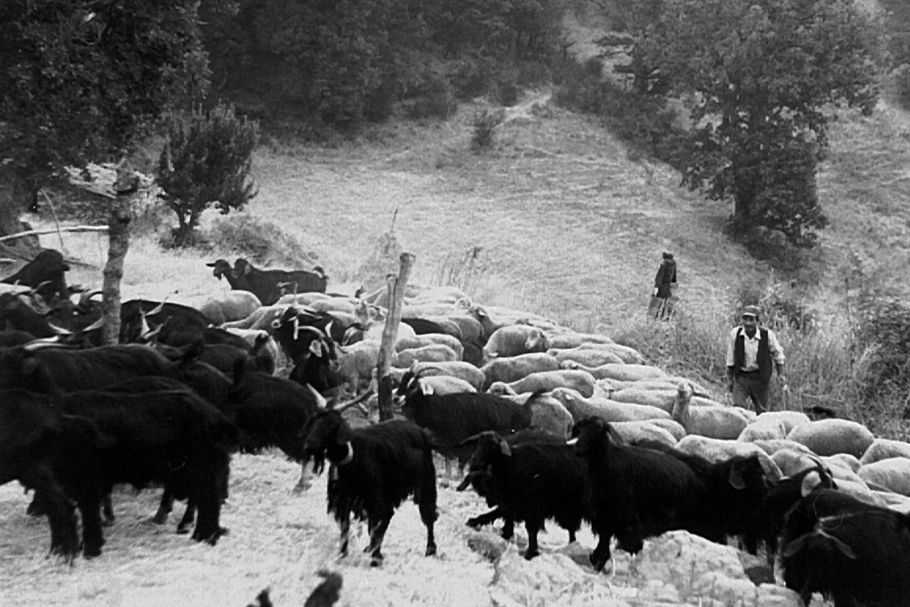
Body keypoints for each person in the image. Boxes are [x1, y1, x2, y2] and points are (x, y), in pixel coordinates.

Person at [725, 305, 786, 412]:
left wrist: (780, 374)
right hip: (742, 377)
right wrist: (730, 379)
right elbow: (731, 357)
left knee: (761, 410)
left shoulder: (767, 335)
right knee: (738, 409)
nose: (748, 323)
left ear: (757, 321)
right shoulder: (735, 334)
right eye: (745, 319)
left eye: (751, 320)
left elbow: (778, 355)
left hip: (760, 377)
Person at [648, 251, 677, 320]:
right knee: (666, 304)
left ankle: (651, 318)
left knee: (655, 304)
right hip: (669, 287)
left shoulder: (664, 264)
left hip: (661, 286)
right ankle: (663, 318)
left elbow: (659, 276)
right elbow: (674, 278)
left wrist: (656, 287)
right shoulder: (674, 264)